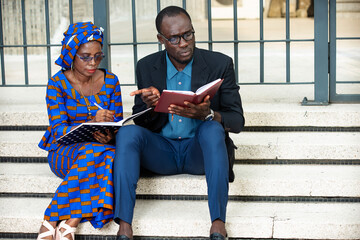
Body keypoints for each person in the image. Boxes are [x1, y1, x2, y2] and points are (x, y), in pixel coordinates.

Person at [113, 6, 244, 240]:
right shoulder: (146, 66)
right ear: (161, 39)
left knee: (213, 128)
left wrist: (208, 114)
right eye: (174, 38)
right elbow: (142, 124)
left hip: (199, 153)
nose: (183, 43)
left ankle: (217, 223)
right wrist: (152, 105)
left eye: (188, 34)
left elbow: (237, 120)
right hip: (162, 152)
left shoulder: (220, 64)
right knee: (127, 134)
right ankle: (124, 226)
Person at [37, 22, 123, 240]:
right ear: (71, 55)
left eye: (97, 56)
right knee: (102, 156)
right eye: (85, 56)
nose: (93, 62)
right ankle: (61, 220)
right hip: (64, 152)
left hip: (102, 149)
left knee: (108, 153)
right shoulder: (57, 84)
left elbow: (119, 123)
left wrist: (109, 135)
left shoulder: (111, 82)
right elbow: (58, 130)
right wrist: (91, 119)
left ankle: (63, 222)